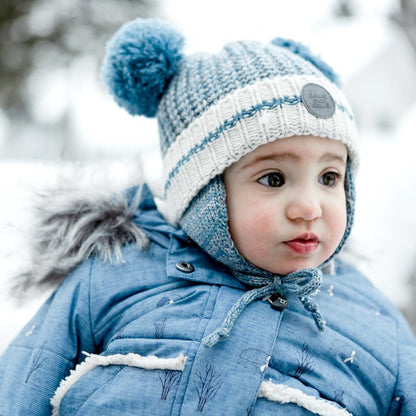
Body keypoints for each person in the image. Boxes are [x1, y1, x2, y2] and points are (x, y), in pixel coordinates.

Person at [0, 18, 415, 416]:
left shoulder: (376, 326)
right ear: (202, 193)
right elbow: (20, 387)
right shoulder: (111, 278)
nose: (310, 207)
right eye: (273, 178)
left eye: (329, 177)